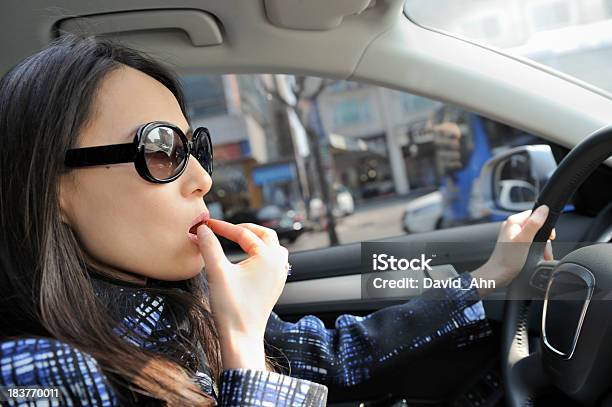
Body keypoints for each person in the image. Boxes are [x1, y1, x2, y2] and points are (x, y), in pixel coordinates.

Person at [0, 34, 554, 406]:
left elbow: (341, 355)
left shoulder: (174, 309)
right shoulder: (35, 374)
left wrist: (490, 278)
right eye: (162, 149)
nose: (202, 178)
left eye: (195, 146)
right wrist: (243, 341)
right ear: (52, 192)